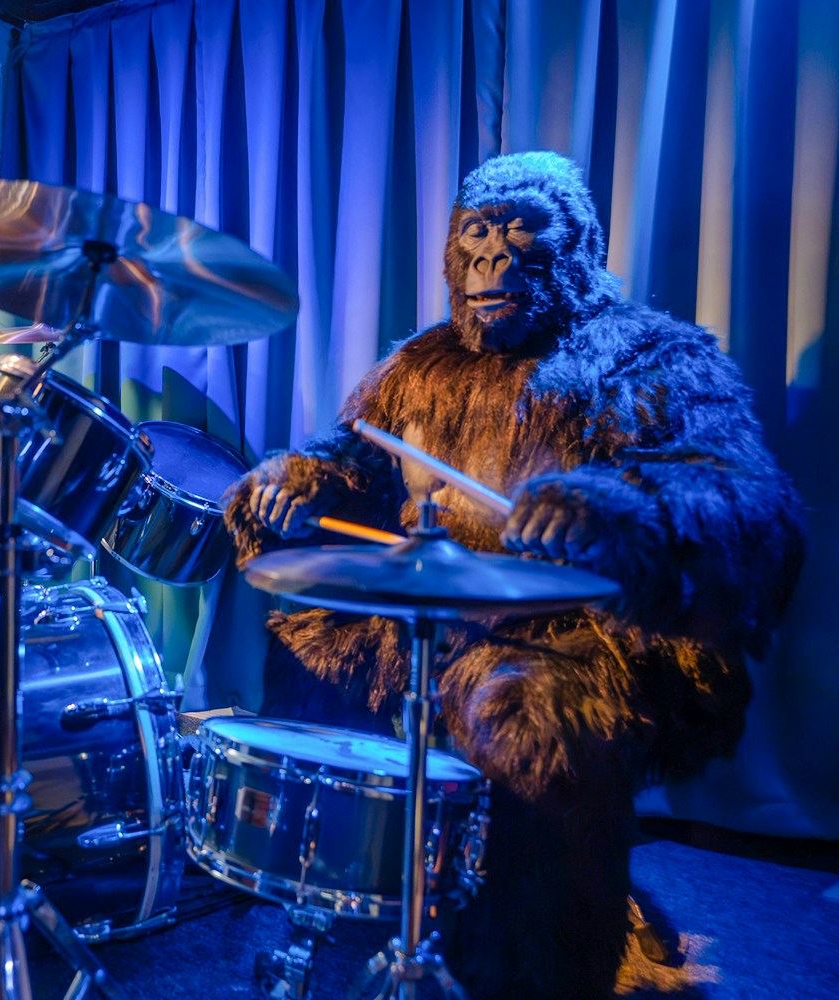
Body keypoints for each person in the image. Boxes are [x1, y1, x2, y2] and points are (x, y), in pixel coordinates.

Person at [224, 151, 805, 999]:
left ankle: (535, 966)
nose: (493, 256)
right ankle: (360, 896)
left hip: (580, 637)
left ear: (578, 243)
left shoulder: (649, 355)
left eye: (519, 229)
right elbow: (355, 456)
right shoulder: (419, 366)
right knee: (307, 650)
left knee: (532, 721)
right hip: (437, 614)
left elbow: (742, 496)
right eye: (477, 234)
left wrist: (614, 505)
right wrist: (296, 483)